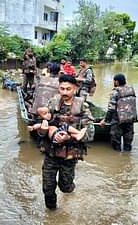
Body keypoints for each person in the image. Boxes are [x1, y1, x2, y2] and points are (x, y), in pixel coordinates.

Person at [40, 74, 94, 210]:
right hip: (51, 153)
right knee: (48, 188)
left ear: (75, 88)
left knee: (65, 187)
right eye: (62, 88)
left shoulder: (82, 106)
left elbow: (91, 131)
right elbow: (42, 126)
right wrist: (43, 128)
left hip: (69, 156)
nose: (64, 92)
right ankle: (52, 214)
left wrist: (70, 137)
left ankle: (71, 188)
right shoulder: (53, 102)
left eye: (68, 89)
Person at [100, 74, 138, 152]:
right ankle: (127, 158)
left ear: (116, 82)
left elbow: (111, 108)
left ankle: (118, 159)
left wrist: (105, 120)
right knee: (128, 144)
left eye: (114, 81)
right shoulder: (131, 89)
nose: (113, 82)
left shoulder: (115, 92)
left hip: (118, 120)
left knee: (116, 144)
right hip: (130, 119)